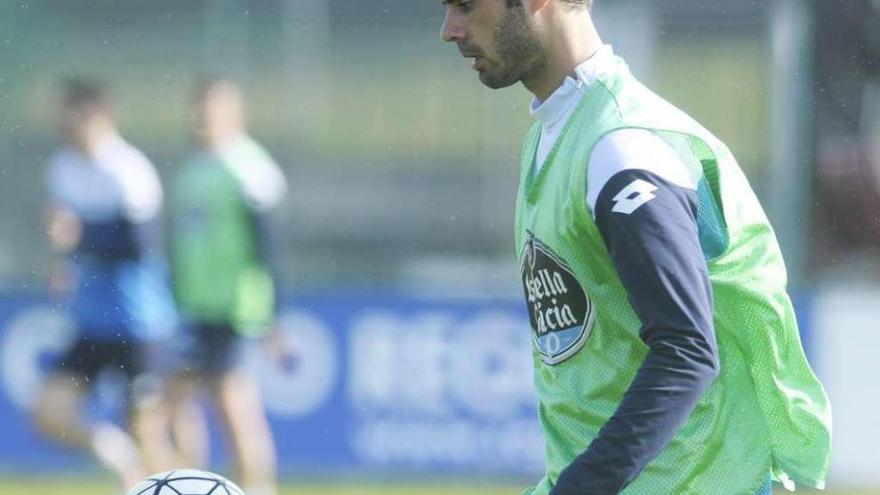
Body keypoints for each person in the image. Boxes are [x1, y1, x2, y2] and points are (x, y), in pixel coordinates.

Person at [440, 1, 832, 494]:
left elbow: (686, 351)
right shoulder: (556, 133)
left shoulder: (622, 149)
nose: (449, 30)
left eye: (466, 5)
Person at [35, 78, 178, 489]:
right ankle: (111, 449)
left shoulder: (128, 170)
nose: (64, 125)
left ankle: (192, 484)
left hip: (140, 324)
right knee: (48, 414)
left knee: (149, 439)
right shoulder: (62, 167)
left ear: (98, 117)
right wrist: (63, 262)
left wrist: (82, 237)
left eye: (73, 116)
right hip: (92, 321)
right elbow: (65, 236)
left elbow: (141, 243)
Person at [169, 77, 286, 495]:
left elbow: (268, 243)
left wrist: (275, 317)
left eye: (211, 108)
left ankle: (259, 487)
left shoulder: (249, 167)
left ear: (234, 114)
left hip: (233, 305)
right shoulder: (193, 170)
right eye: (197, 107)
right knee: (177, 397)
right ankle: (189, 481)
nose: (200, 117)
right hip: (193, 305)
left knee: (231, 401)